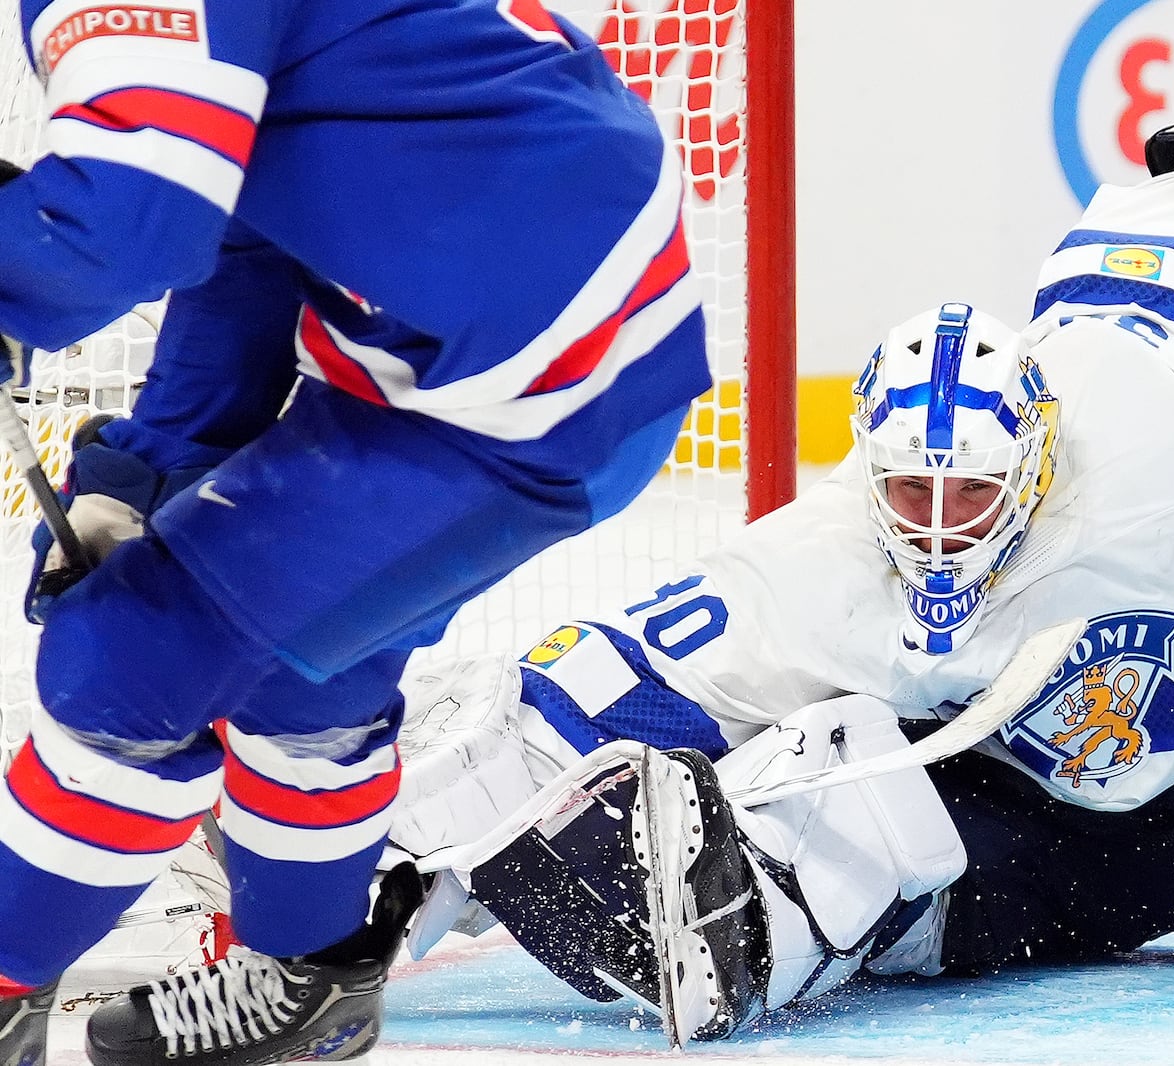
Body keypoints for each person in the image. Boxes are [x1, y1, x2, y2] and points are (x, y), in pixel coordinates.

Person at [95, 22, 1174, 1058]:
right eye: (908, 495)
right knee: (855, 794)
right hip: (996, 856)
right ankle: (730, 924)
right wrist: (361, 893)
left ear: (1038, 457)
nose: (932, 528)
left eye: (968, 496)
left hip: (1173, 793)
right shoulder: (817, 575)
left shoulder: (1131, 407)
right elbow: (552, 709)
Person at [0, 1, 710, 1063]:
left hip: (519, 375)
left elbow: (131, 223)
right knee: (306, 663)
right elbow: (240, 235)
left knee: (136, 653)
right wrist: (151, 468)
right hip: (512, 331)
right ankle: (308, 980)